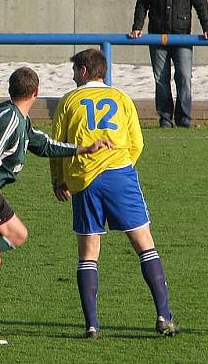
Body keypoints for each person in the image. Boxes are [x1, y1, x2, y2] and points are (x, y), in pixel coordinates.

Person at [0, 67, 112, 345]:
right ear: (36, 93)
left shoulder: (17, 117)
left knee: (17, 235)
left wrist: (81, 149)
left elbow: (41, 143)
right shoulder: (8, 122)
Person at [50, 48, 178, 339]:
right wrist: (121, 167)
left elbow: (57, 146)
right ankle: (163, 315)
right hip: (120, 175)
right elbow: (137, 142)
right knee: (144, 245)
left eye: (74, 71)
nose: (72, 76)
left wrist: (60, 181)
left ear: (83, 71)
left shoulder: (69, 101)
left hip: (85, 180)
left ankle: (92, 325)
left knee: (89, 253)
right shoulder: (121, 98)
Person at [130, 0, 208, 128]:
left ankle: (184, 117)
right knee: (161, 79)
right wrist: (137, 26)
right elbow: (142, 4)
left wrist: (207, 27)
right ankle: (165, 118)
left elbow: (201, 5)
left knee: (184, 77)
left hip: (182, 37)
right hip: (157, 37)